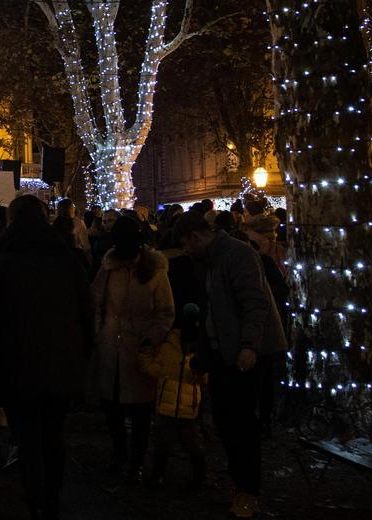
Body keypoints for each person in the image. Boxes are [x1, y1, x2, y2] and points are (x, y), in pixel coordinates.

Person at [0, 195, 93, 520]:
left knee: (27, 437)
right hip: (61, 364)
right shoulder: (68, 261)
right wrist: (83, 356)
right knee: (54, 435)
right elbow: (87, 312)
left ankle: (35, 500)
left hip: (16, 367)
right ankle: (52, 500)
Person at [173, 213, 286, 520]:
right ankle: (240, 483)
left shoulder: (238, 254)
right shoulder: (209, 260)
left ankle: (248, 491)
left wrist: (249, 345)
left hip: (246, 353)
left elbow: (254, 302)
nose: (185, 251)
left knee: (242, 424)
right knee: (226, 421)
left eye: (185, 245)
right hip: (224, 350)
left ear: (196, 237)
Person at [91, 213, 174, 481]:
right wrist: (98, 333)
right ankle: (119, 454)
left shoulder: (155, 272)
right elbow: (96, 302)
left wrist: (151, 338)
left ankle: (136, 460)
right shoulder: (109, 268)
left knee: (140, 412)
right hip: (110, 348)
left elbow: (165, 312)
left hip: (140, 350)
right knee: (112, 407)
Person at [140, 303, 207, 490]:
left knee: (192, 446)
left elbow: (206, 378)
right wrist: (144, 355)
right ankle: (158, 476)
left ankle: (197, 479)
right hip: (168, 410)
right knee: (163, 446)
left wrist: (201, 371)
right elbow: (153, 368)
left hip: (187, 411)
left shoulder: (194, 351)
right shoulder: (170, 347)